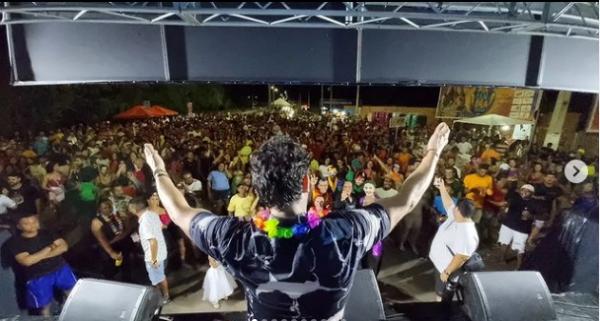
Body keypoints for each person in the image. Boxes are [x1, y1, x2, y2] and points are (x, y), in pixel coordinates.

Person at [142, 122, 449, 321]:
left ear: (259, 190)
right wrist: (433, 152)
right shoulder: (348, 231)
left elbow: (180, 212)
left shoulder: (235, 239)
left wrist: (159, 171)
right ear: (306, 182)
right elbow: (407, 198)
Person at [7, 213, 77, 316]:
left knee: (73, 294)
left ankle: (69, 315)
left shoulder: (48, 232)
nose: (32, 225)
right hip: (38, 276)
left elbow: (64, 247)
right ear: (19, 226)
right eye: (26, 223)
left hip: (60, 268)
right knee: (44, 307)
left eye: (34, 221)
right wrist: (50, 247)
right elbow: (26, 261)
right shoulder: (15, 242)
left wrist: (37, 257)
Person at [429, 177, 479, 302]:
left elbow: (462, 256)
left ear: (458, 210)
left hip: (448, 269)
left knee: (442, 296)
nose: (453, 209)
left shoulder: (468, 233)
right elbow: (448, 203)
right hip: (441, 265)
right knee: (440, 292)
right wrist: (441, 187)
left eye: (455, 208)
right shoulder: (458, 217)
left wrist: (446, 272)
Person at [128, 197, 170, 304]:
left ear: (134, 209)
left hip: (154, 255)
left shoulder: (144, 222)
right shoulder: (152, 214)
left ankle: (162, 298)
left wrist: (154, 259)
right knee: (161, 275)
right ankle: (166, 296)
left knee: (156, 279)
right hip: (162, 251)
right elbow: (162, 227)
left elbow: (153, 242)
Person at [90, 199, 132, 281]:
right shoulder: (96, 222)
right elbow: (101, 239)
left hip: (123, 243)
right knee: (112, 267)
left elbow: (127, 227)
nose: (108, 209)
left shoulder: (117, 215)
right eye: (105, 208)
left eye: (110, 206)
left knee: (126, 264)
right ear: (99, 209)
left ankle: (128, 281)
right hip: (109, 247)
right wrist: (111, 252)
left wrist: (125, 219)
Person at [497, 184, 537, 270]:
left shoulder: (534, 203)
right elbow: (506, 205)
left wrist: (529, 216)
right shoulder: (515, 199)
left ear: (532, 193)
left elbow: (537, 217)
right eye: (523, 190)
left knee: (520, 248)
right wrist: (504, 207)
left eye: (527, 191)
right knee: (504, 242)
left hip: (521, 229)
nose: (524, 192)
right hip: (508, 224)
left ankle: (518, 267)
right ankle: (501, 259)